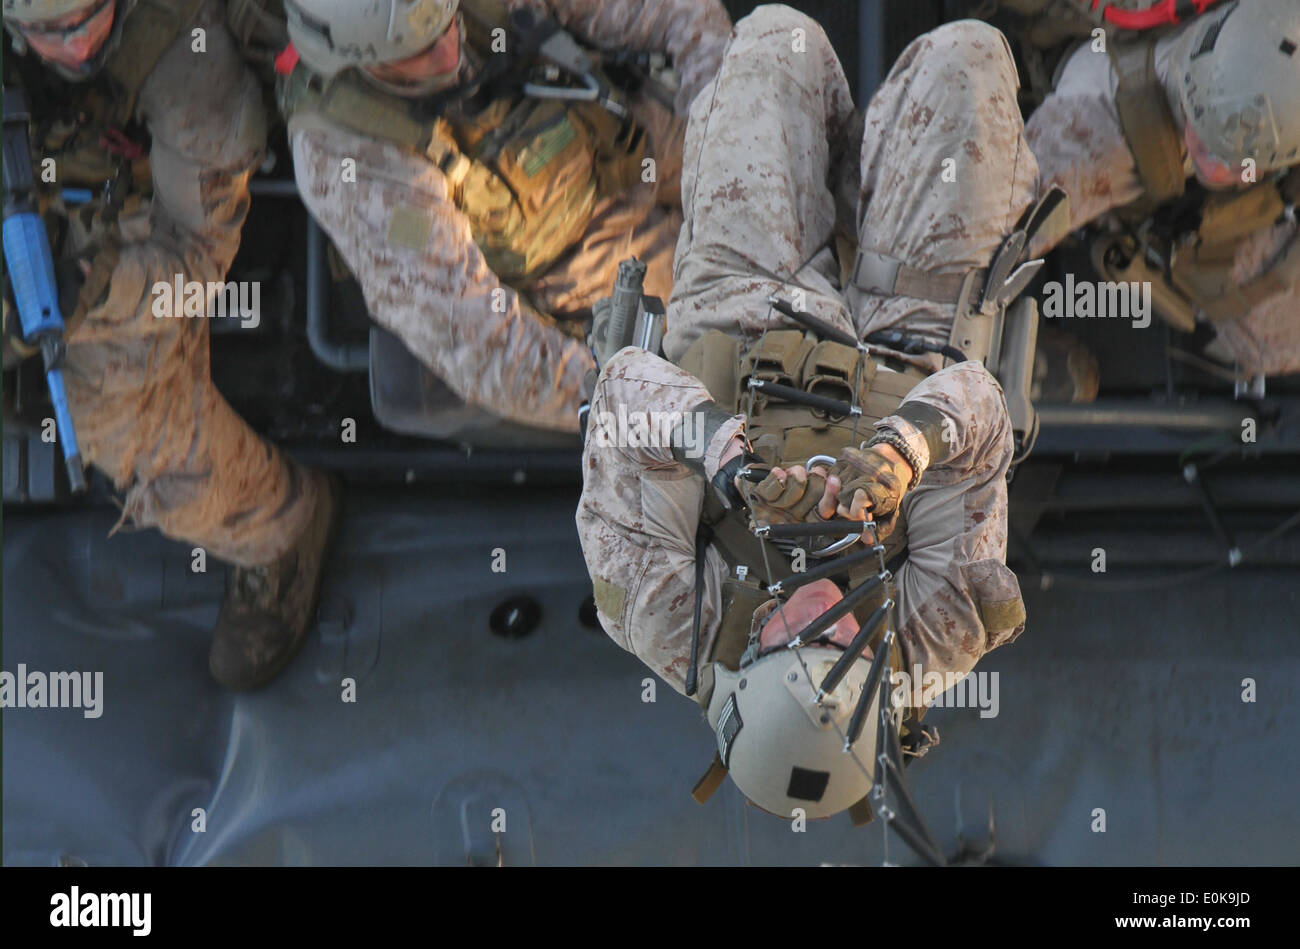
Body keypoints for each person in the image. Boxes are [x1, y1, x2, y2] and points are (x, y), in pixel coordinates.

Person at [576, 6, 1038, 819]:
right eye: (843, 641)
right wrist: (900, 458)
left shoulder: (661, 615)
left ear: (740, 661)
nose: (822, 613)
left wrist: (720, 452)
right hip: (912, 346)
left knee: (779, 42)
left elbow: (619, 399)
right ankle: (882, 173)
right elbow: (983, 414)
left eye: (793, 635)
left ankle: (854, 163)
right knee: (968, 60)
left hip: (744, 315)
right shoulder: (938, 636)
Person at [3, 0, 339, 690]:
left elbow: (195, 275)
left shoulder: (192, 72)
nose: (73, 46)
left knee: (130, 433)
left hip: (128, 242)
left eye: (86, 21)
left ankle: (277, 527)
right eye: (47, 32)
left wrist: (91, 291)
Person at [278, 0, 732, 432]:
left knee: (775, 57)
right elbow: (484, 347)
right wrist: (640, 401)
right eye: (418, 52)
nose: (449, 51)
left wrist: (722, 131)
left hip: (627, 133)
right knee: (746, 362)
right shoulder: (351, 161)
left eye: (447, 21)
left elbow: (678, 13)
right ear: (357, 62)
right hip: (580, 263)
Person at [1023, 0, 1300, 381]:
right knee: (1275, 339)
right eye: (1210, 147)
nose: (1221, 168)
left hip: (1241, 189)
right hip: (1105, 145)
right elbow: (997, 231)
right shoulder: (1099, 135)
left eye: (1239, 163)